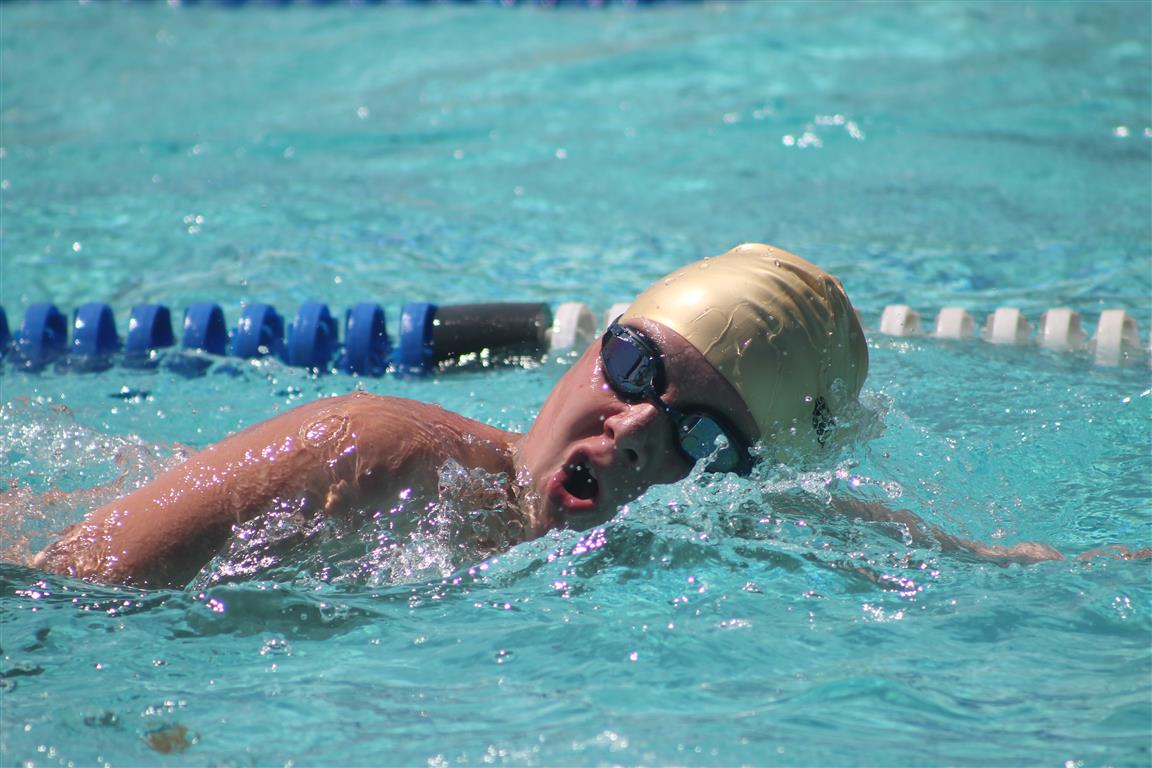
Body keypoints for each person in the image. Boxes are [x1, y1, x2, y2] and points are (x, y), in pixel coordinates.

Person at [31, 243, 1070, 589]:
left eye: (703, 439)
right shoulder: (376, 454)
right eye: (636, 367)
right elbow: (68, 588)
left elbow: (853, 530)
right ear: (589, 348)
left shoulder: (704, 536)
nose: (636, 432)